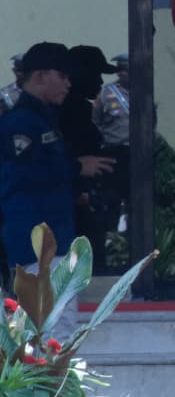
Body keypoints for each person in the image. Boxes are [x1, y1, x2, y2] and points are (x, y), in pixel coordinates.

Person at [0, 42, 114, 337]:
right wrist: (77, 168)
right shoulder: (21, 124)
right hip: (36, 243)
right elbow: (23, 176)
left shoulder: (44, 119)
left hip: (54, 239)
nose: (68, 83)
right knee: (53, 334)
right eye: (62, 76)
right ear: (40, 76)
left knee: (54, 330)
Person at [62, 45, 122, 270]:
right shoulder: (68, 112)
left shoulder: (80, 109)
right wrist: (79, 190)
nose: (100, 82)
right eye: (95, 74)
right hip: (75, 205)